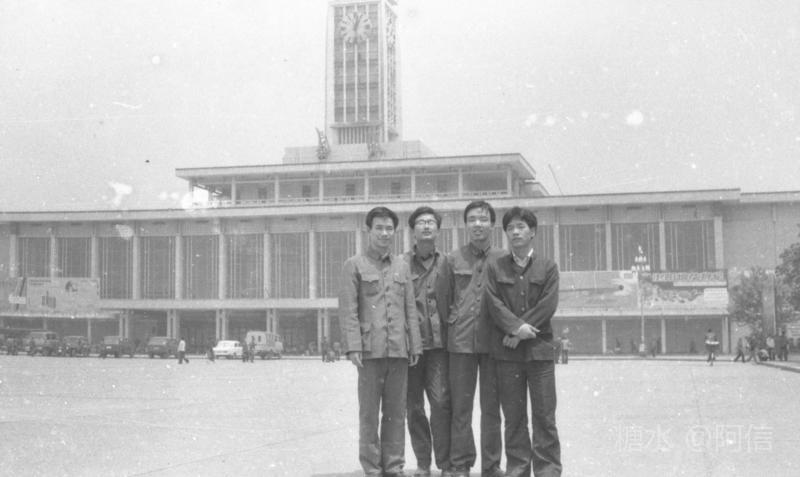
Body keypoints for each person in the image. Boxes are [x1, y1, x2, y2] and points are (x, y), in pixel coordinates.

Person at [339, 206, 422, 477]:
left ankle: (394, 466)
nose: (384, 233)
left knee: (397, 412)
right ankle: (373, 468)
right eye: (379, 228)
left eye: (389, 229)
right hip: (369, 351)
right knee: (369, 413)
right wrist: (353, 346)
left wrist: (415, 345)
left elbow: (410, 308)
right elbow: (349, 310)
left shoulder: (402, 266)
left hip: (399, 350)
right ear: (369, 230)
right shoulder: (354, 265)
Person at [486, 207, 562, 477]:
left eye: (521, 227)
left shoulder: (548, 267)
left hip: (539, 353)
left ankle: (548, 470)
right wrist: (516, 328)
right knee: (514, 419)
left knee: (544, 417)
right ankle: (517, 470)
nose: (515, 232)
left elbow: (547, 305)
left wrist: (517, 332)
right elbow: (493, 303)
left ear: (533, 232)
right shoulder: (496, 267)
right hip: (508, 357)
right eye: (510, 228)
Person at [435, 200, 505, 477]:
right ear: (466, 224)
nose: (478, 224)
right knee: (460, 407)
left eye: (483, 219)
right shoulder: (452, 259)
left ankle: (491, 465)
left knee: (491, 408)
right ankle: (461, 463)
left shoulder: (503, 259)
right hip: (461, 342)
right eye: (472, 219)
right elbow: (443, 299)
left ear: (492, 224)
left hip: (493, 344)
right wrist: (455, 322)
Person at [403, 206, 452, 477]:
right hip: (410, 348)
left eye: (430, 222)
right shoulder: (401, 264)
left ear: (438, 230)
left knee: (441, 404)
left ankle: (445, 463)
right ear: (413, 230)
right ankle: (423, 462)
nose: (425, 226)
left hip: (439, 347)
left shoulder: (448, 263)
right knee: (413, 407)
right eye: (420, 222)